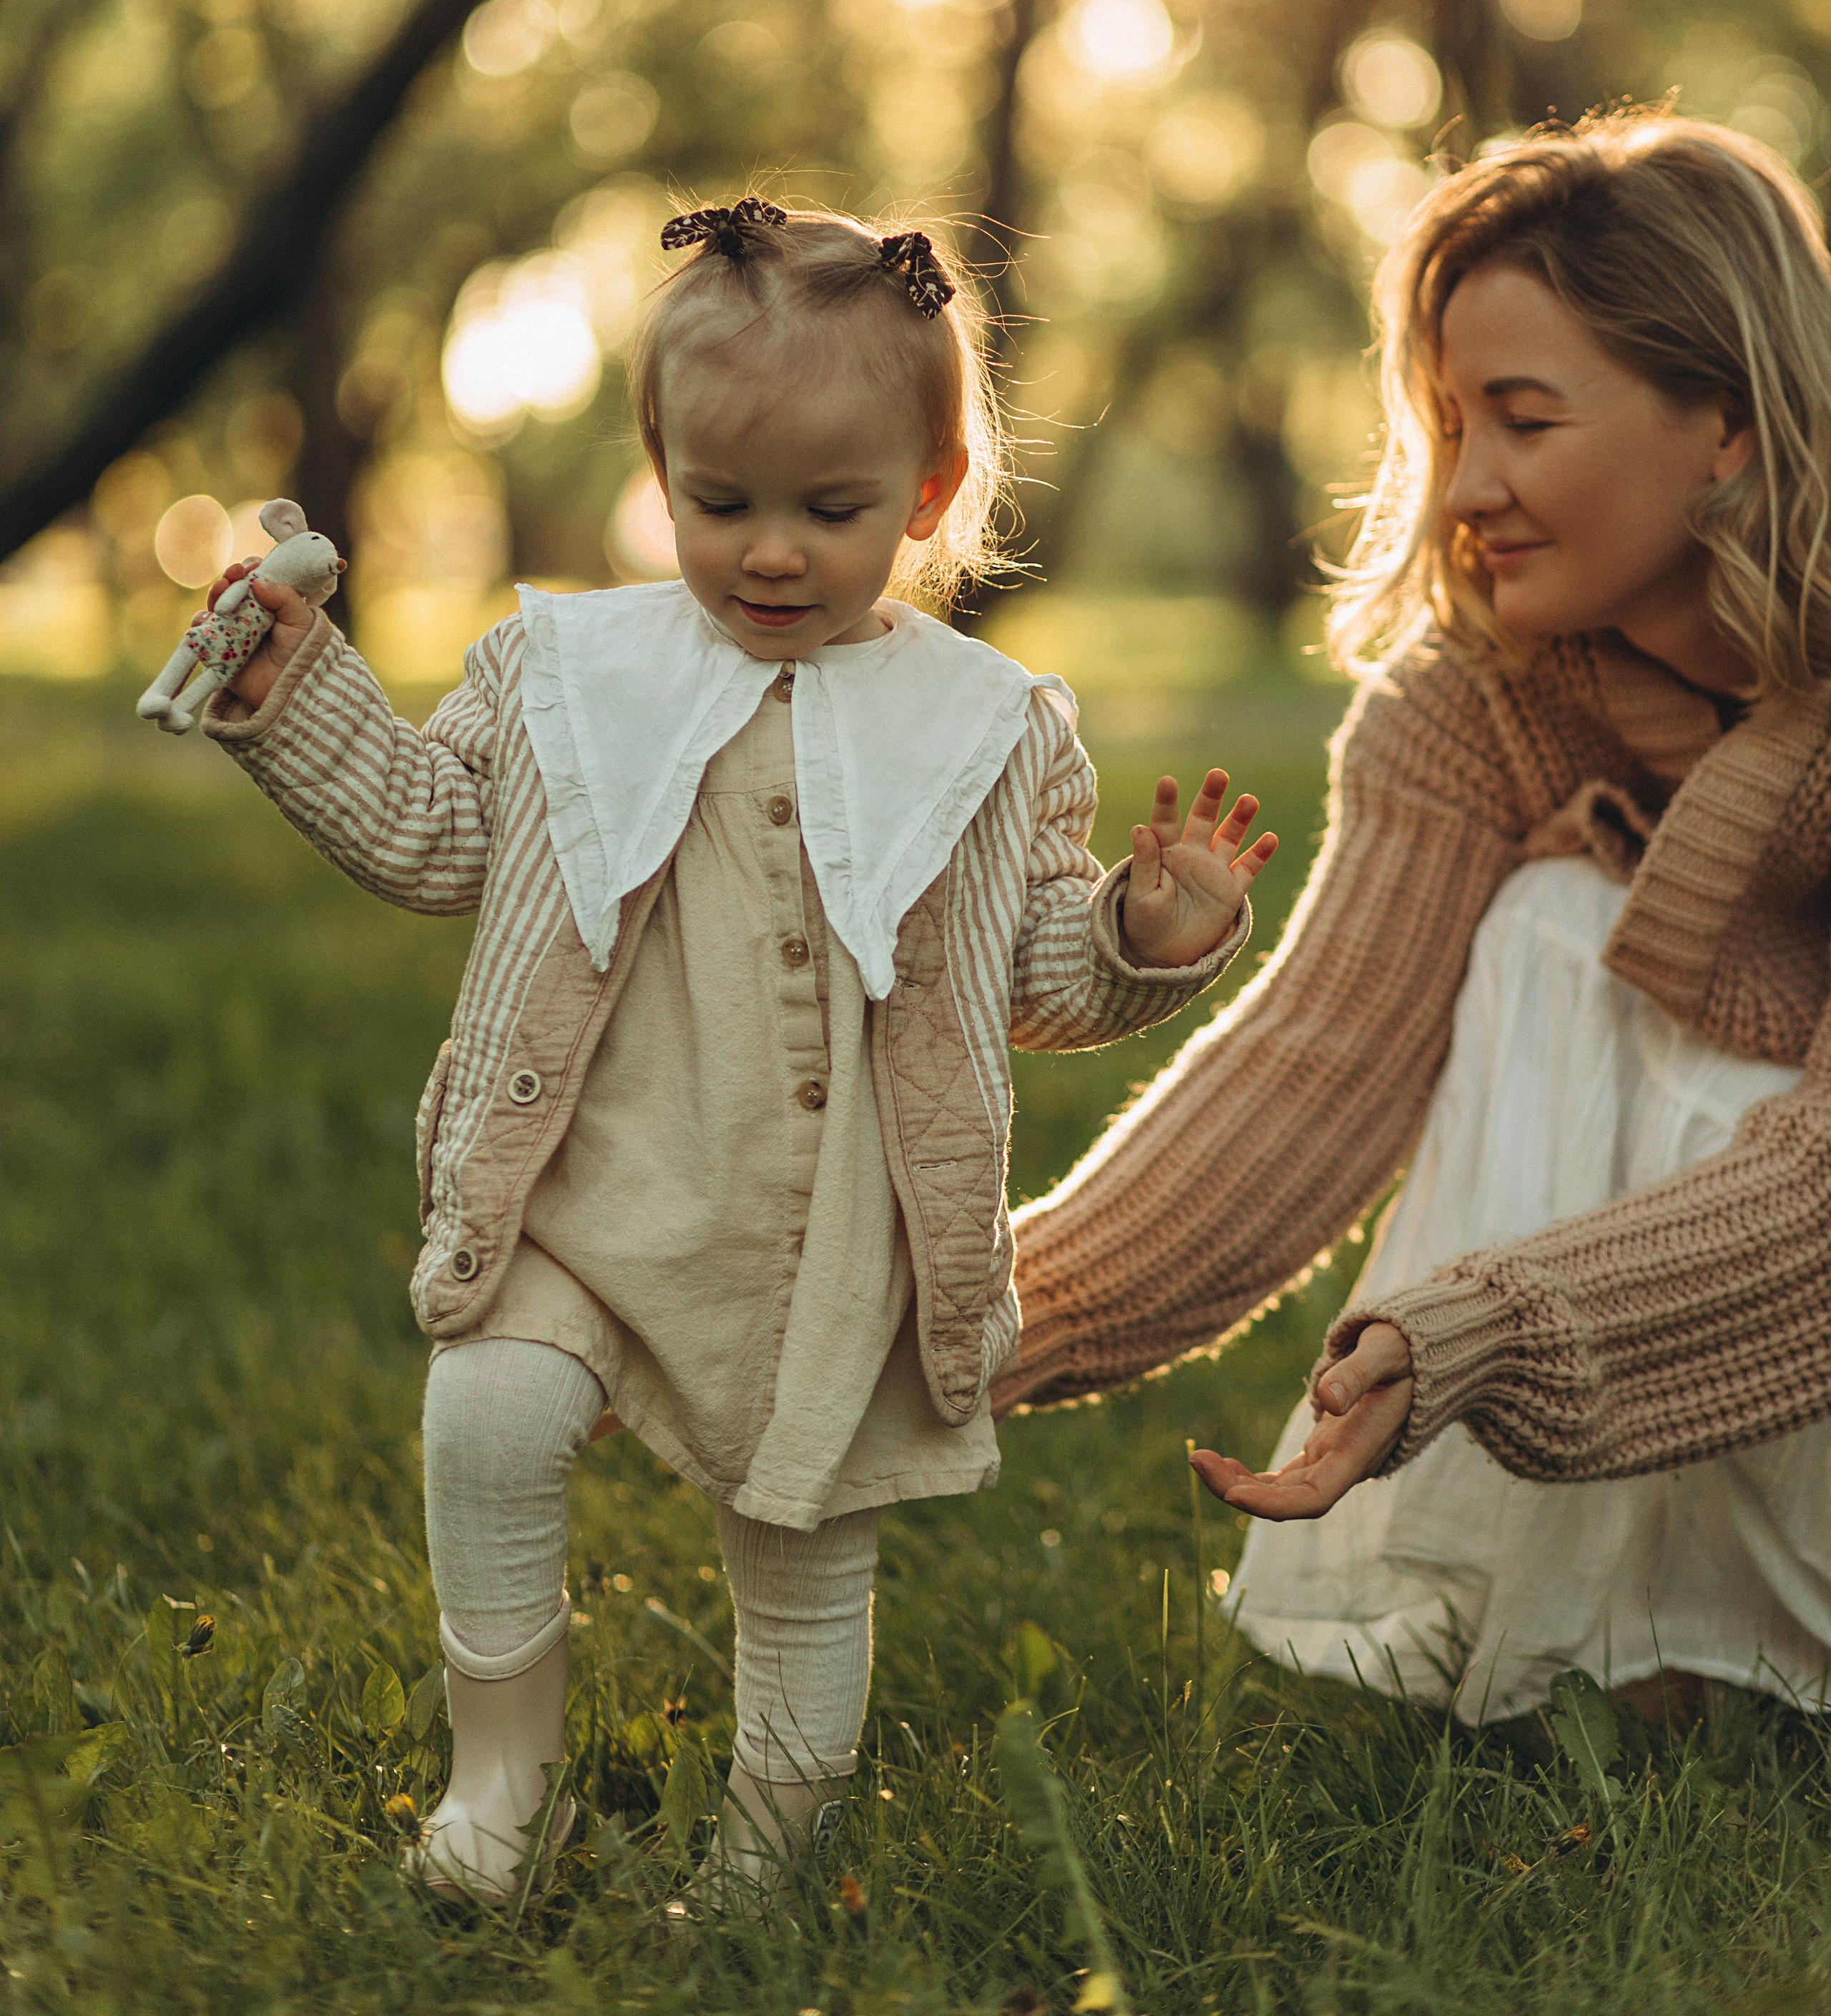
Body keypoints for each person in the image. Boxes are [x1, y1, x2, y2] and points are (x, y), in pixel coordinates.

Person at [195, 196, 1279, 1901]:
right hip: (592, 1178)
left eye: (830, 510)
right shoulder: (565, 671)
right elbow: (429, 838)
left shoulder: (987, 732)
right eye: (721, 503)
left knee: (798, 1548)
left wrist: (1151, 933)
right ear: (660, 465)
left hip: (822, 1229)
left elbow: (1031, 979)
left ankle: (771, 1865)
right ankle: (502, 1788)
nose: (770, 552)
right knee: (483, 1412)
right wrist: (296, 685)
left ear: (925, 496)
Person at [993, 114, 1831, 1722]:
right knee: (1546, 921)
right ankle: (1634, 1644)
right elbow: (1315, 1062)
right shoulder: (1475, 707)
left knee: (1552, 927)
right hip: (1686, 1324)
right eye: (1446, 424)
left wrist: (1481, 1335)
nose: (1463, 488)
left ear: (1720, 425)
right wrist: (966, 1321)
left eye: (1519, 420)